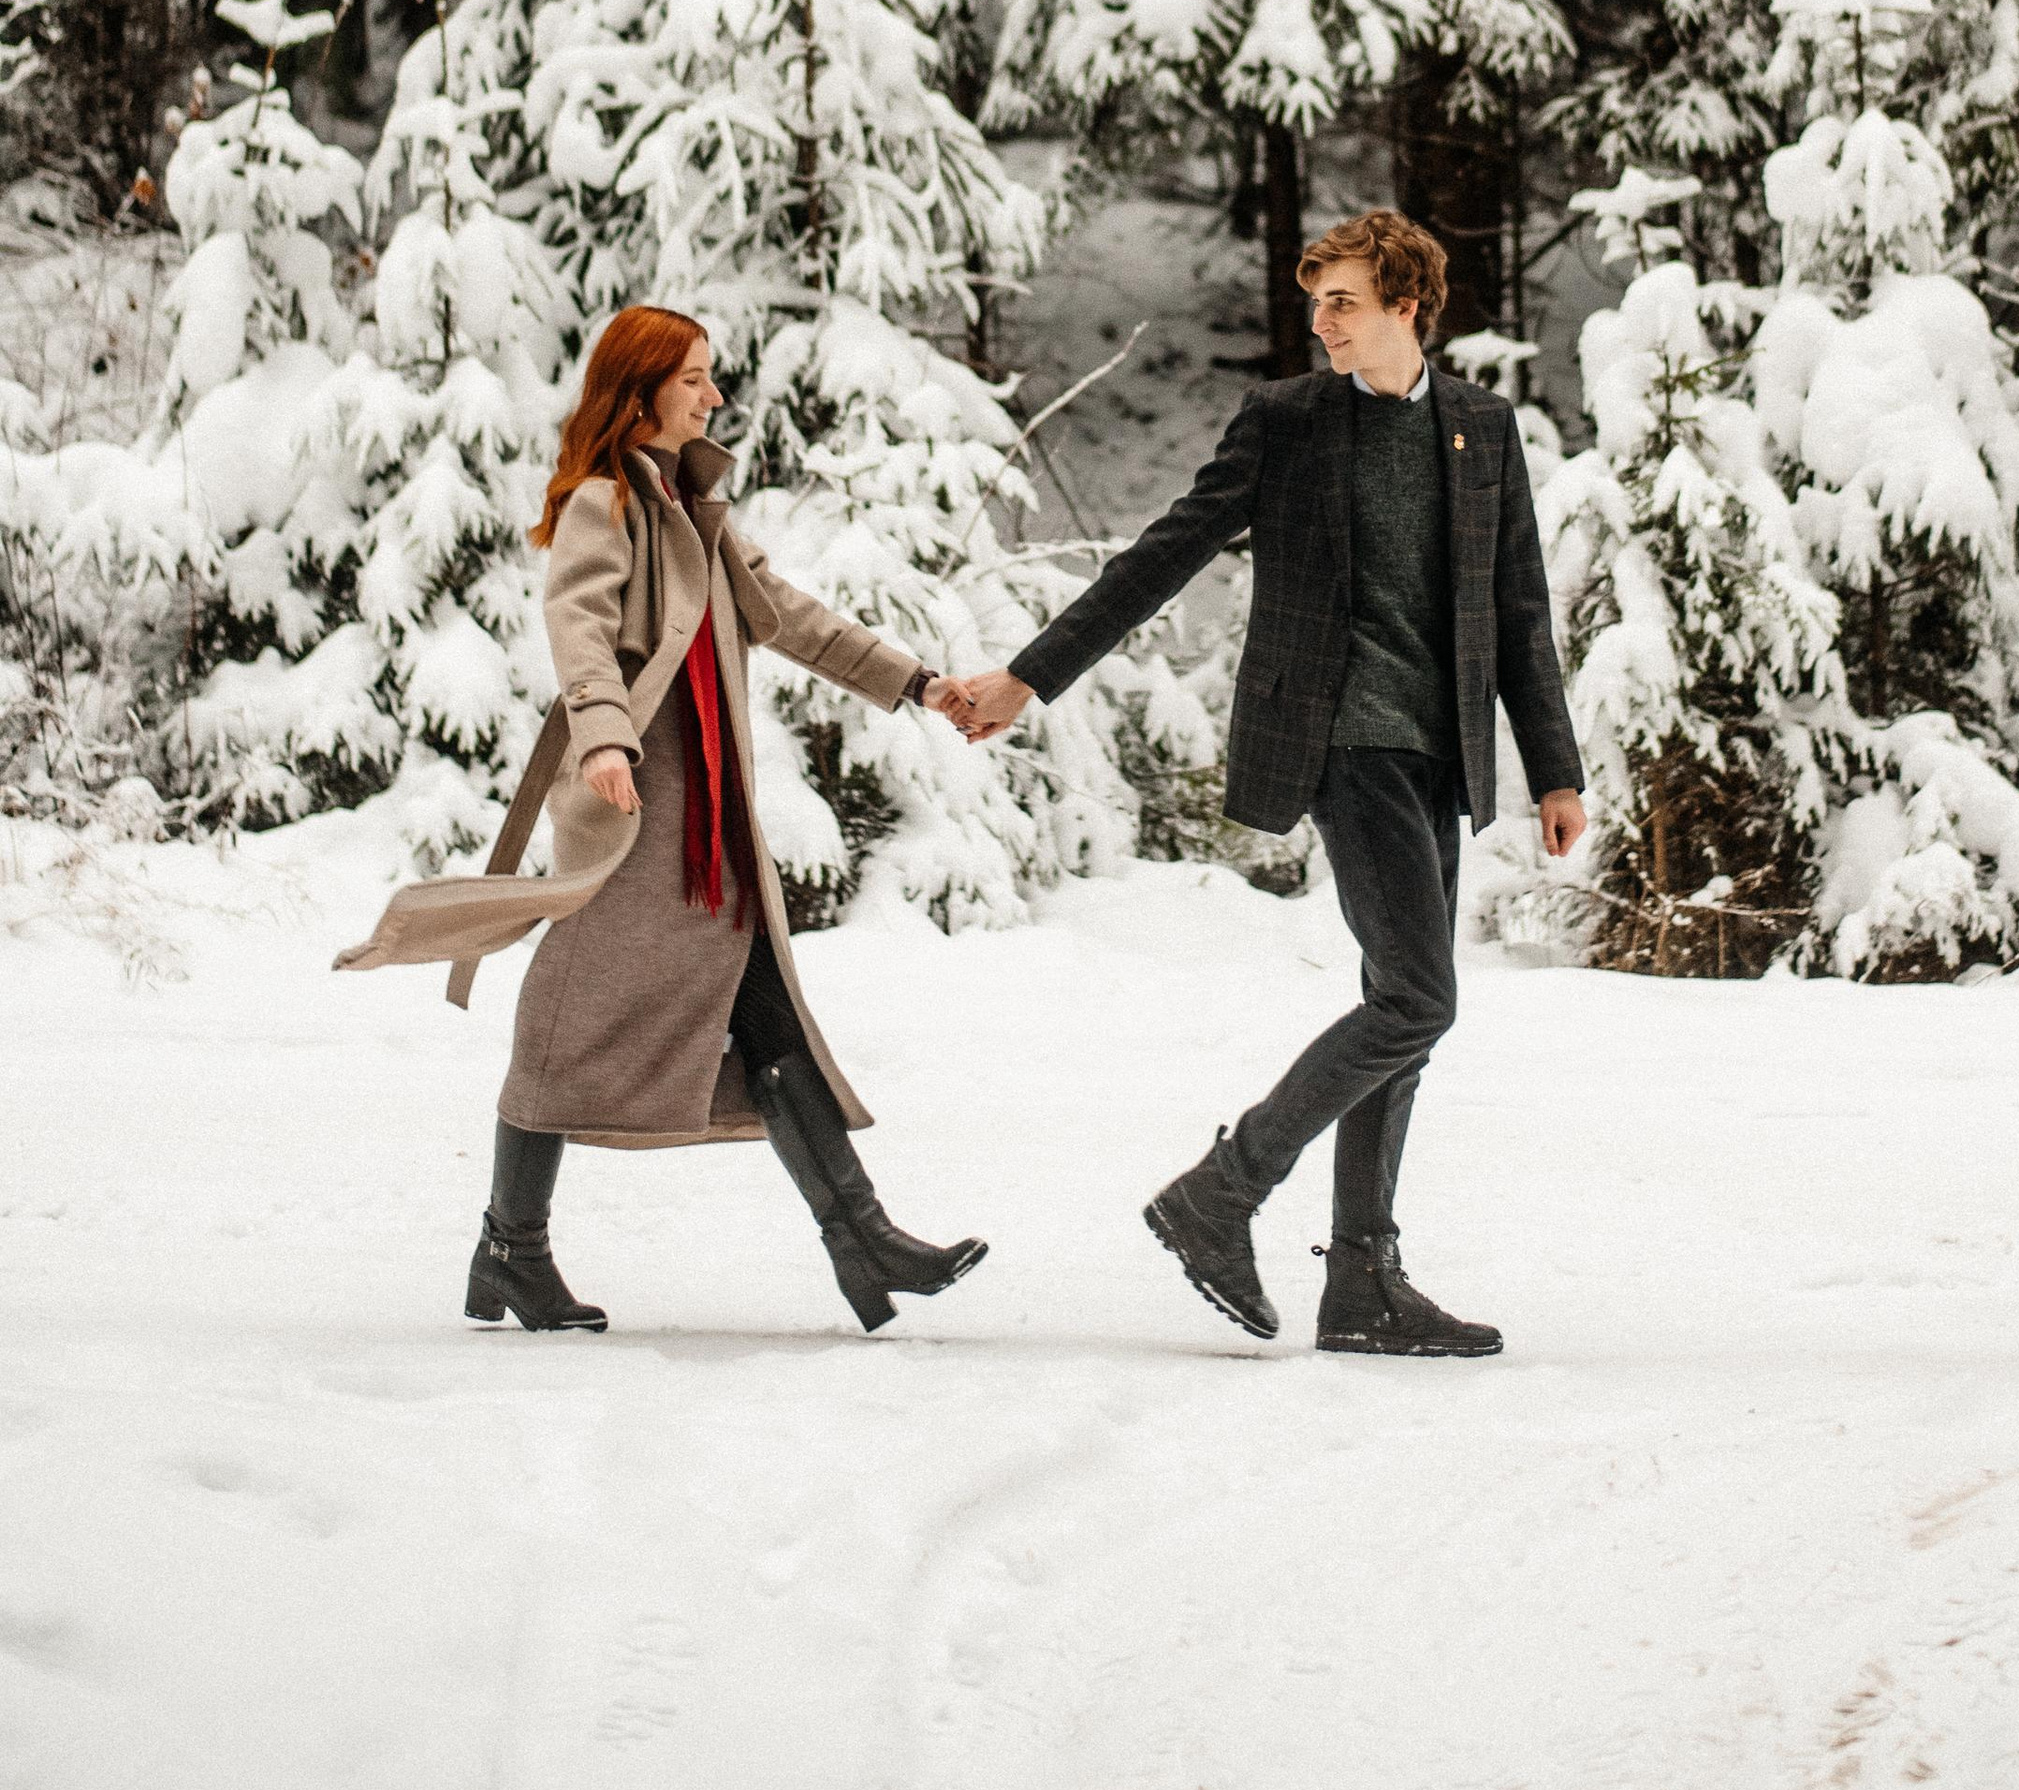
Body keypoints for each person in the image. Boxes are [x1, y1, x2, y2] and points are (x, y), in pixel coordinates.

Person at [947, 210, 1586, 1358]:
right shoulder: (1287, 421)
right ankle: (1223, 1191)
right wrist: (1028, 678)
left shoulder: (1478, 429)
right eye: (1316, 303)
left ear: (1405, 304)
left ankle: (1362, 1283)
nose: (1321, 322)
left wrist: (1554, 769)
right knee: (1417, 999)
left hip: (1436, 751)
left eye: (1343, 301)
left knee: (1402, 1012)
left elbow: (1517, 607)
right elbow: (1165, 553)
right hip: (1340, 741)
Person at [335, 305, 986, 1336]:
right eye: (694, 378)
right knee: (565, 1021)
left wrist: (916, 682)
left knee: (763, 1009)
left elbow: (793, 618)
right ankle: (513, 1248)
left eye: (711, 378)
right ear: (639, 392)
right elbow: (579, 627)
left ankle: (859, 1241)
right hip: (633, 811)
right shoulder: (605, 505)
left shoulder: (697, 511)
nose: (714, 396)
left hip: (706, 823)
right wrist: (603, 738)